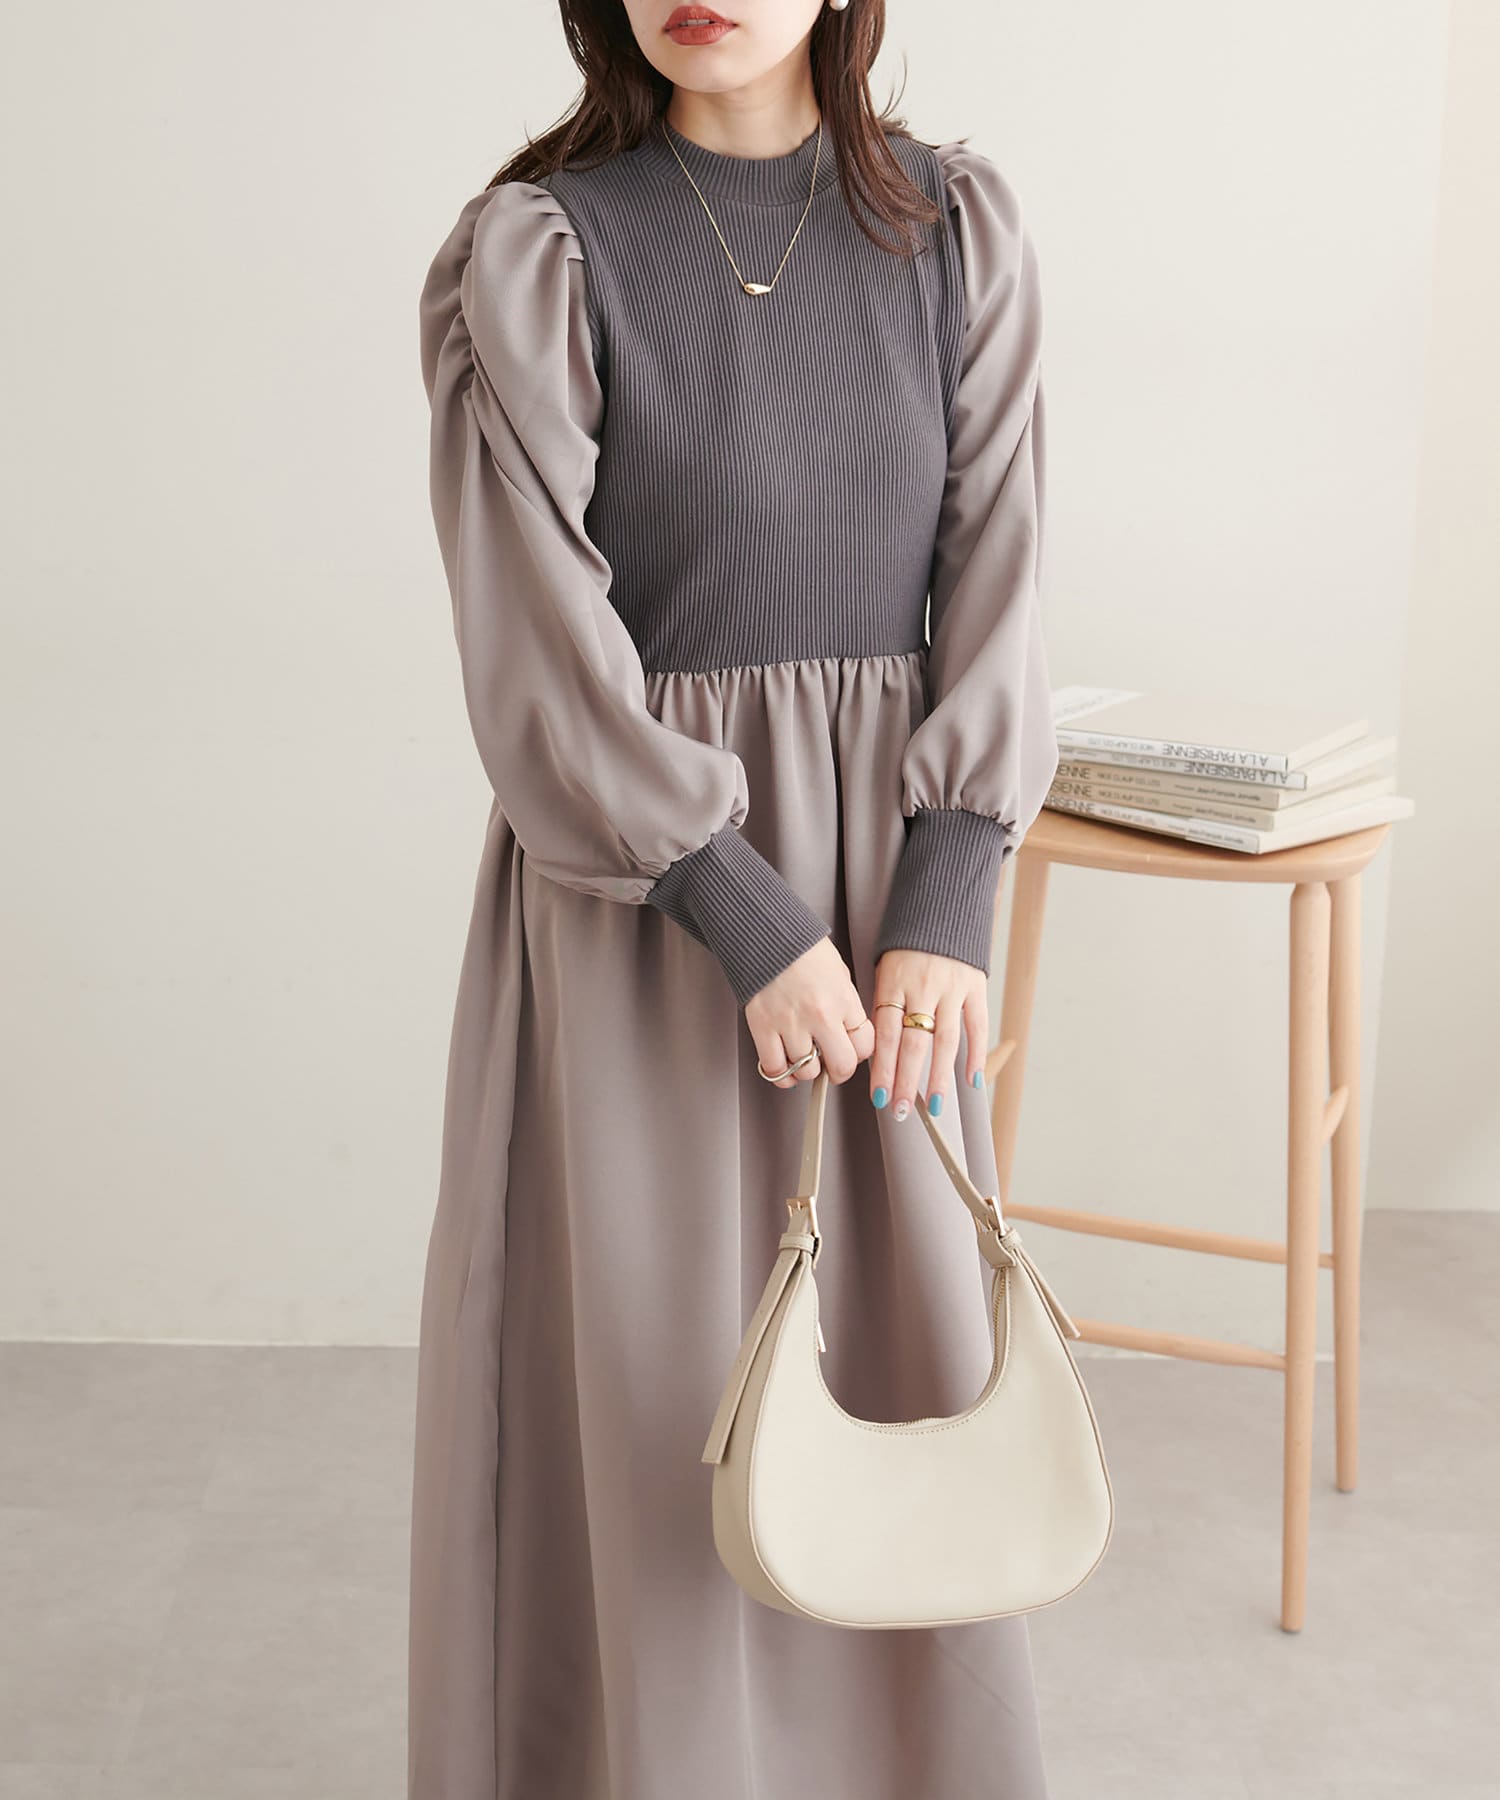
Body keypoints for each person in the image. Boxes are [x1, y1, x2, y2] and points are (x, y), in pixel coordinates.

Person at [408, 1, 1062, 1794]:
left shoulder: (960, 231)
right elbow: (536, 634)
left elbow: (1002, 561)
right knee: (654, 1383)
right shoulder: (537, 254)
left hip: (891, 897)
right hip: (641, 901)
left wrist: (950, 888)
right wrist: (738, 908)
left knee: (904, 1366)